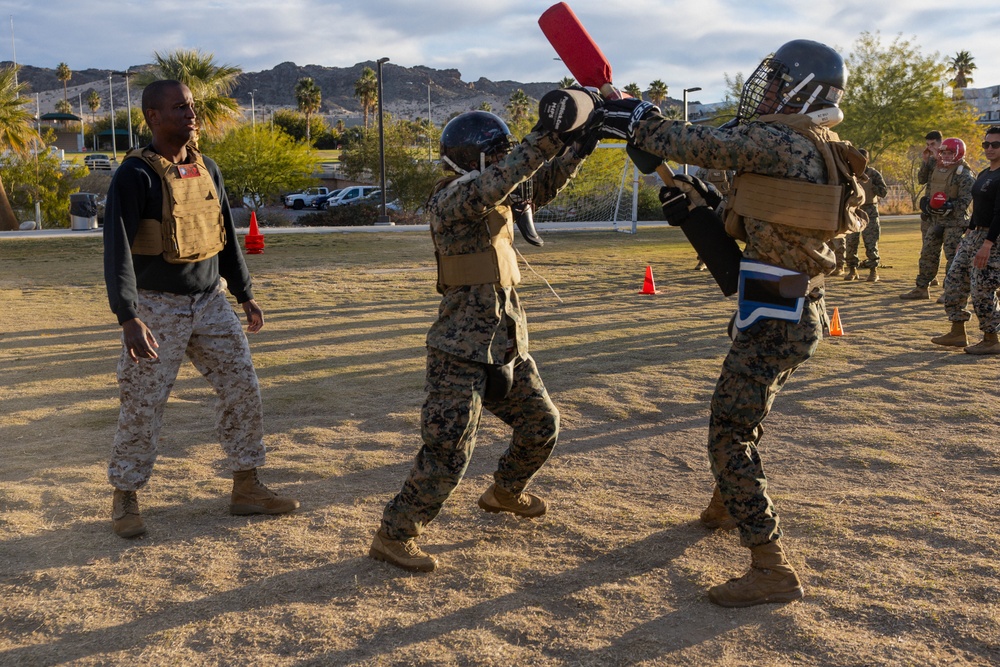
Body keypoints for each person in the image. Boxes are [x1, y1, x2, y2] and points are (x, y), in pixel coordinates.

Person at [596, 39, 866, 607]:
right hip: (788, 302)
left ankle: (771, 566)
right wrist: (703, 207)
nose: (764, 92)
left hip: (778, 313)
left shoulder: (780, 139)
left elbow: (699, 143)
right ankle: (726, 504)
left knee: (728, 434)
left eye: (777, 83)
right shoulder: (814, 142)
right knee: (746, 414)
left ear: (804, 90)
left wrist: (638, 116)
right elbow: (768, 223)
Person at [369, 109, 598, 572]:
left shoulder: (498, 191)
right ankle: (395, 534)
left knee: (542, 424)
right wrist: (547, 137)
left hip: (506, 342)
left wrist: (576, 149)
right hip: (459, 351)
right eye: (495, 153)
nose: (503, 160)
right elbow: (501, 180)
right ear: (471, 157)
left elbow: (537, 185)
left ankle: (505, 491)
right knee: (450, 451)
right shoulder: (451, 199)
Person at [103, 80, 298, 538]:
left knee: (242, 388)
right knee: (143, 403)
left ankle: (247, 486)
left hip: (210, 301)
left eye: (191, 106)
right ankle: (125, 495)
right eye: (179, 107)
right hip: (156, 307)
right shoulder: (135, 175)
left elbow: (225, 235)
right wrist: (128, 316)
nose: (191, 114)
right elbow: (117, 250)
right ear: (153, 116)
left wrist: (244, 293)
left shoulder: (208, 168)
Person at [930, 127, 1000, 354]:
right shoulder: (985, 173)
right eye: (986, 144)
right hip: (974, 234)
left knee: (982, 287)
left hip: (993, 239)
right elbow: (978, 209)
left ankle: (991, 338)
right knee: (954, 279)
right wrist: (969, 234)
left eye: (995, 145)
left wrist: (987, 244)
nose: (989, 148)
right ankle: (958, 331)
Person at [900, 137, 975, 300]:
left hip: (954, 223)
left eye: (950, 153)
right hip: (935, 221)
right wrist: (927, 205)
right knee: (928, 254)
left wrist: (949, 206)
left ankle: (950, 291)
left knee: (953, 258)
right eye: (944, 153)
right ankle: (921, 288)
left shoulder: (964, 174)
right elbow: (928, 188)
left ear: (959, 153)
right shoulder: (936, 168)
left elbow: (965, 201)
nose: (946, 156)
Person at [844, 148, 888, 282]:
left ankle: (873, 271)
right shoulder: (849, 173)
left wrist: (870, 186)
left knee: (871, 243)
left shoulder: (873, 174)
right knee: (851, 243)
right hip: (853, 212)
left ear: (867, 160)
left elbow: (883, 192)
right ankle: (852, 270)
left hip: (870, 213)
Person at [693, 167, 735, 271]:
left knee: (723, 233)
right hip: (713, 203)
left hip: (719, 203)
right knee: (708, 233)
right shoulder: (706, 169)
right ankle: (703, 260)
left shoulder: (726, 169)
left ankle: (721, 260)